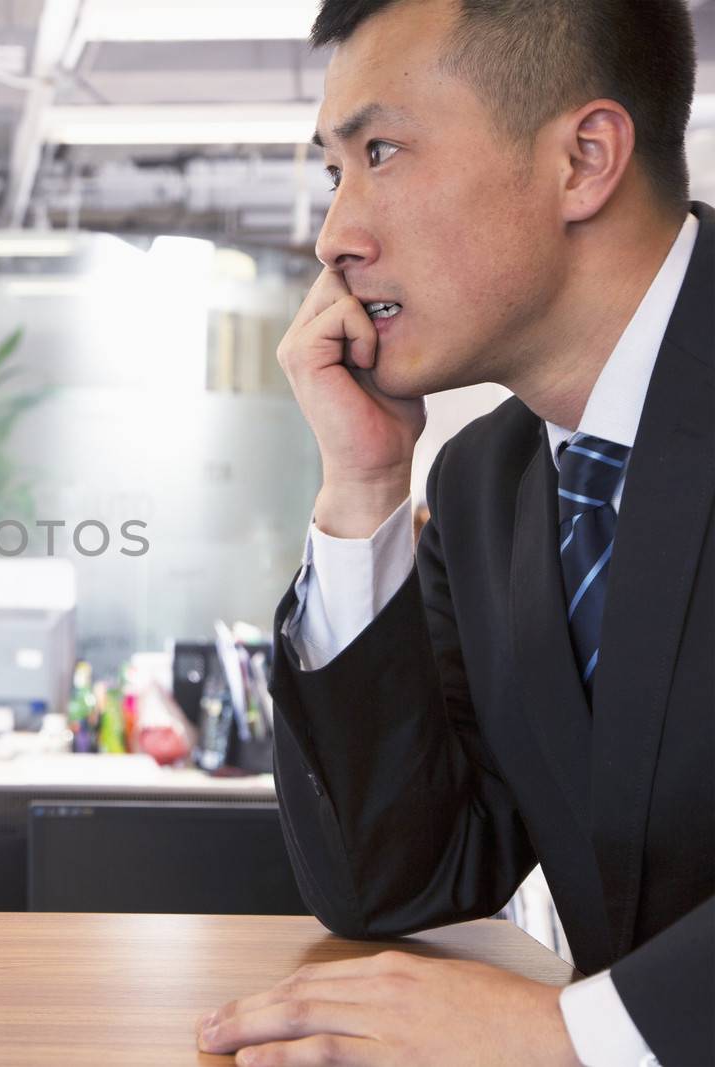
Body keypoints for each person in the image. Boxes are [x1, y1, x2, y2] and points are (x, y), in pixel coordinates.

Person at [194, 0, 712, 1064]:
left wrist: (578, 1032)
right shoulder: (492, 485)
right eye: (334, 171)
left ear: (582, 159)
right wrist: (364, 485)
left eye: (379, 151)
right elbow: (392, 876)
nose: (335, 235)